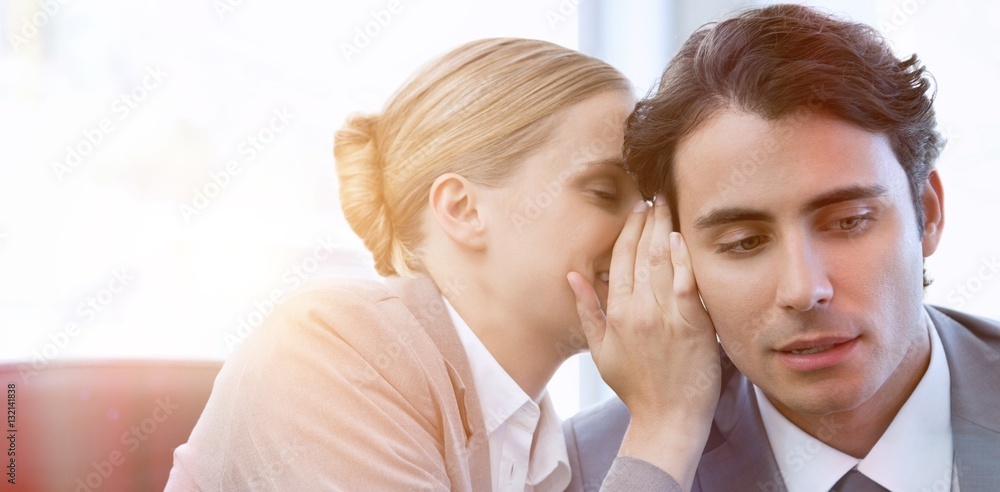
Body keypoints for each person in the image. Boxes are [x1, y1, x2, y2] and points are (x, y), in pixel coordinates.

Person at [165, 37, 714, 491]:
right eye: (602, 190)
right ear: (464, 210)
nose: (651, 230)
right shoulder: (327, 351)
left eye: (648, 199)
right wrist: (668, 424)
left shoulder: (544, 452)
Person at [564, 4, 1000, 492]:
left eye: (849, 222)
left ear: (929, 211)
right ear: (671, 257)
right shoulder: (597, 467)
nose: (803, 289)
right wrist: (662, 443)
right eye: (744, 242)